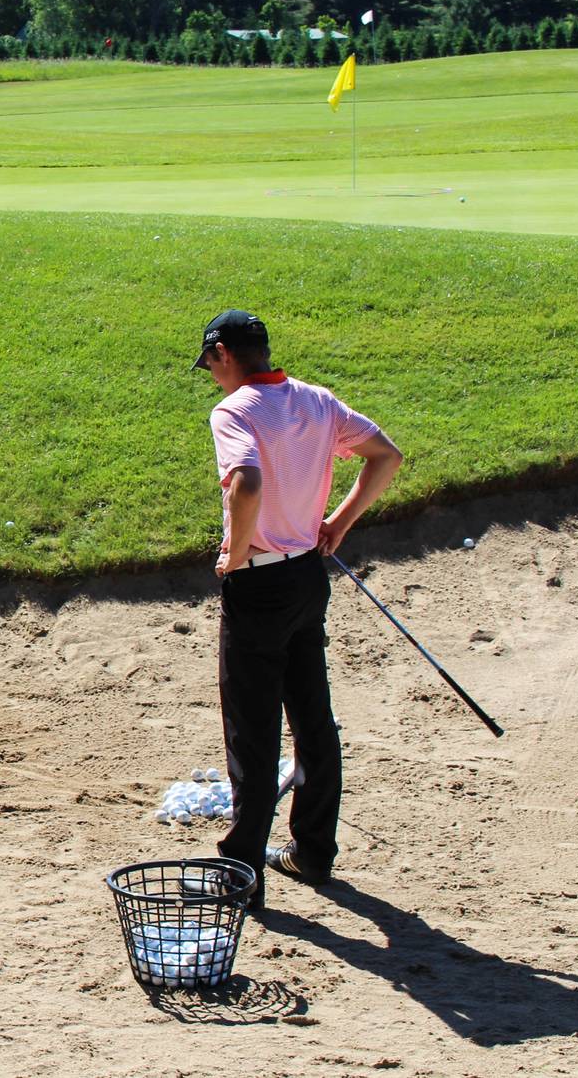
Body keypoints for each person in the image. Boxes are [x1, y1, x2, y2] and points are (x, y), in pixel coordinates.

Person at [195, 309, 403, 906]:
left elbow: (247, 485)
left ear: (226, 354)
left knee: (253, 732)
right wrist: (336, 525)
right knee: (313, 718)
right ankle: (312, 853)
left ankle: (241, 875)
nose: (210, 374)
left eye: (209, 362)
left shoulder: (233, 411)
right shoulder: (316, 400)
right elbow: (385, 456)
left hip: (258, 587)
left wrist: (234, 555)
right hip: (310, 578)